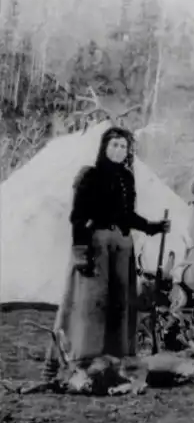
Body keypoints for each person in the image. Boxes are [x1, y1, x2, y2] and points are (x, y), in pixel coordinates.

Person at [52, 126, 171, 364]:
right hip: (98, 246)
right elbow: (77, 217)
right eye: (114, 145)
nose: (118, 150)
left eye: (123, 146)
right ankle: (86, 355)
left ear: (128, 151)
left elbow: (127, 216)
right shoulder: (90, 176)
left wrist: (153, 227)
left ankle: (116, 355)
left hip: (122, 248)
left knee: (120, 302)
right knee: (93, 301)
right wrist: (81, 252)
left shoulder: (127, 178)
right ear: (104, 147)